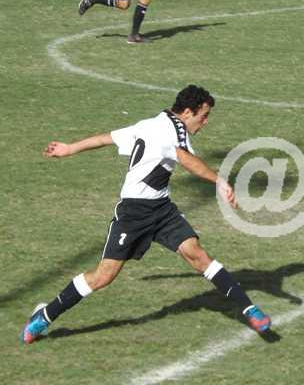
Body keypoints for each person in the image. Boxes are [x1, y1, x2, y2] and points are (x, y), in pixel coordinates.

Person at [21, 85, 271, 344]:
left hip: (162, 209)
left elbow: (106, 138)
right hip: (133, 213)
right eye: (204, 115)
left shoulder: (151, 123)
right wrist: (219, 181)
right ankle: (45, 315)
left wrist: (70, 148)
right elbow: (185, 159)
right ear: (187, 112)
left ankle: (250, 311)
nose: (206, 122)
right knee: (103, 276)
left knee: (197, 255)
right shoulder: (174, 130)